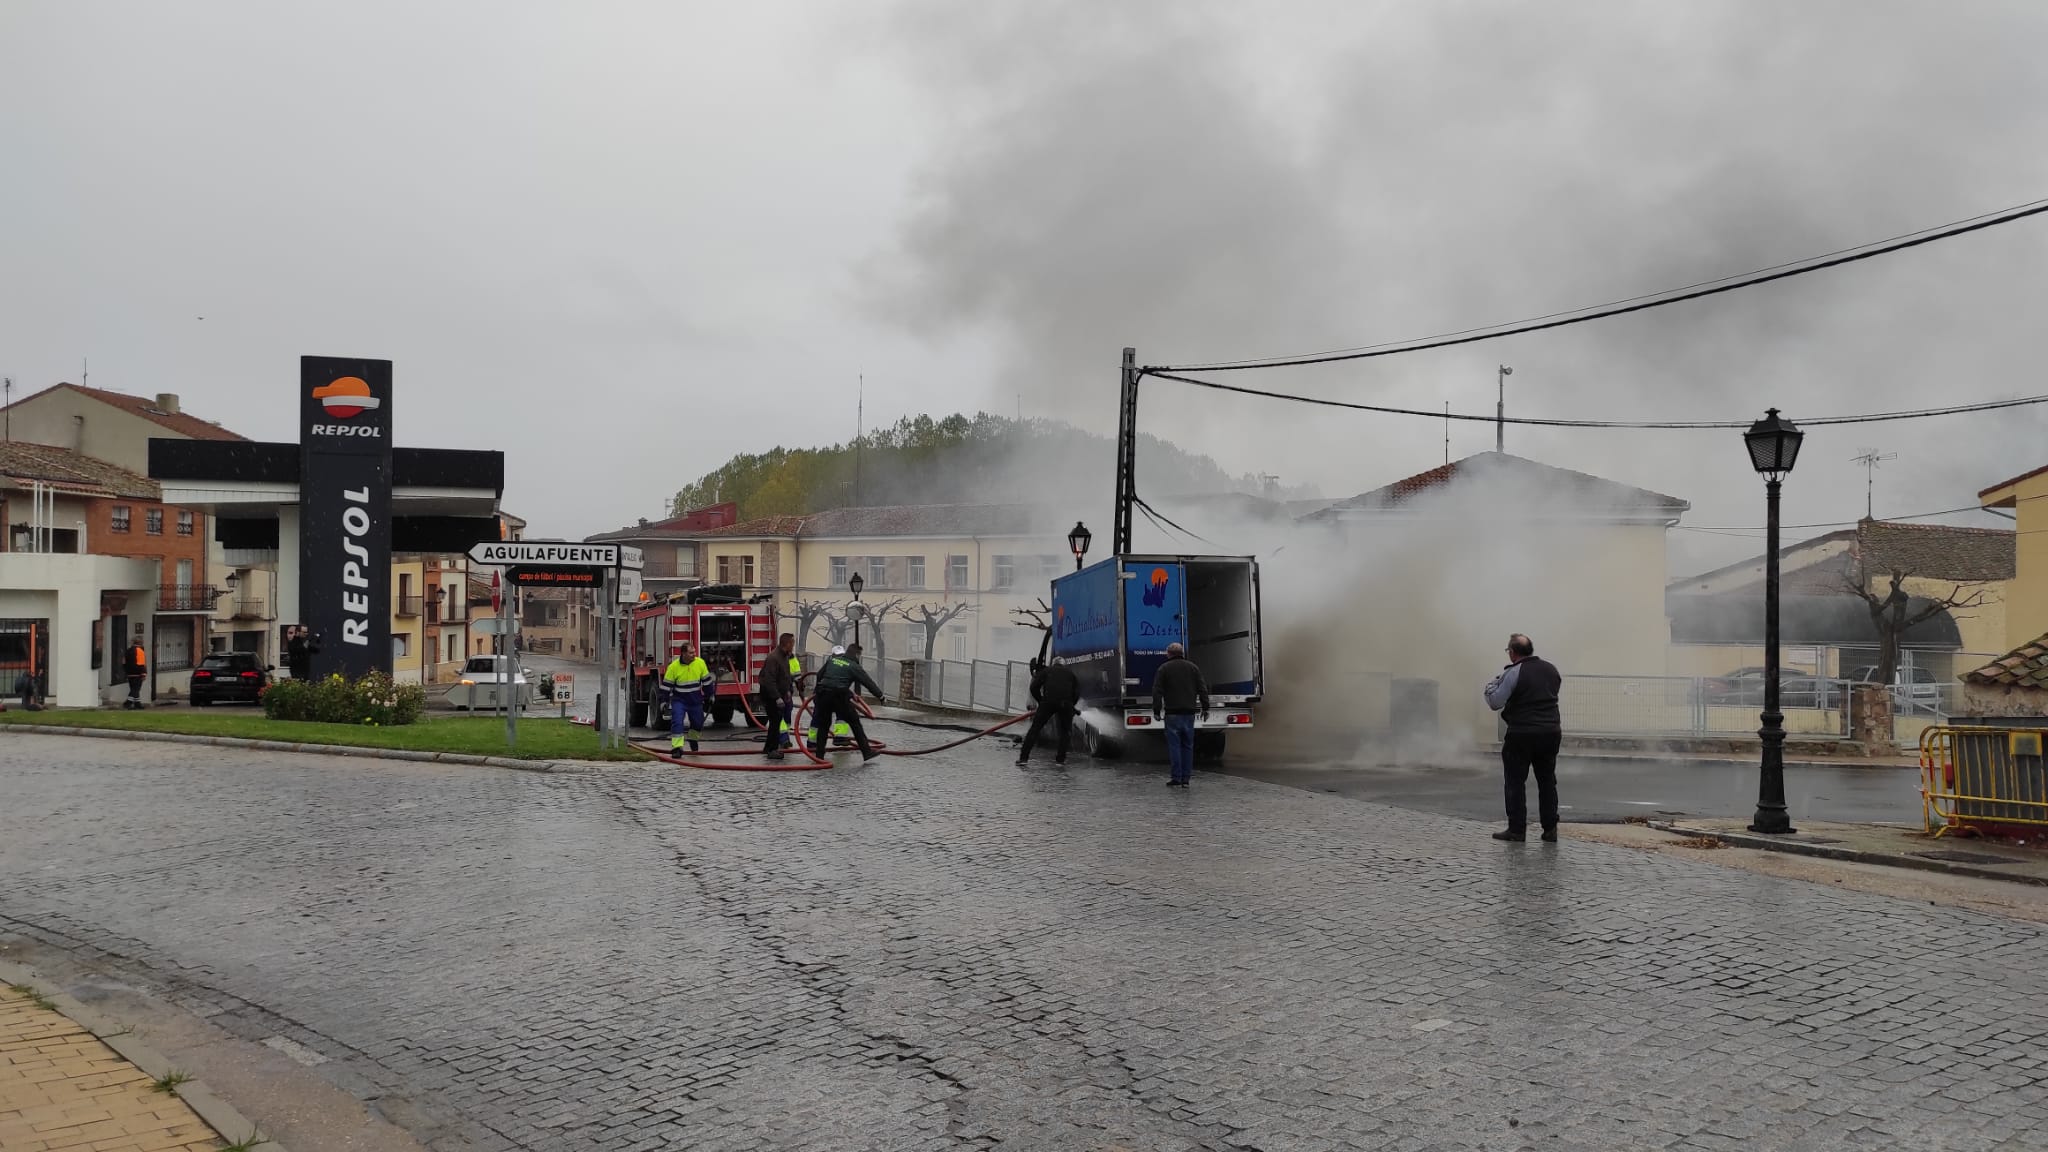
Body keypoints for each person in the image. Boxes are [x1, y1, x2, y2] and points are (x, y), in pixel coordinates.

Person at [1484, 633, 1565, 843]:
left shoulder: (1513, 672)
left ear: (1512, 653)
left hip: (1522, 734)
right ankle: (1550, 829)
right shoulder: (1551, 669)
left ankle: (1517, 830)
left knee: (1515, 782)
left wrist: (1491, 686)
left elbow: (1495, 702)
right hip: (1551, 733)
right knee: (1547, 781)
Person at [1151, 642, 1210, 787]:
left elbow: (1157, 691)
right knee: (1188, 746)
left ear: (1168, 654)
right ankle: (1186, 779)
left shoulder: (1163, 669)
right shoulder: (1193, 668)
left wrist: (1157, 711)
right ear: (1182, 653)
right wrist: (1205, 708)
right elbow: (1202, 689)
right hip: (1189, 714)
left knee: (1175, 747)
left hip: (1172, 714)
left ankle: (1176, 777)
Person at [810, 645, 883, 761]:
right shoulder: (854, 666)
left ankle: (819, 756)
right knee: (855, 722)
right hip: (839, 697)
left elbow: (820, 675)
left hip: (823, 695)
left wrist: (818, 690)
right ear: (857, 655)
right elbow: (868, 682)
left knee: (823, 725)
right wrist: (881, 696)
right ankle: (866, 752)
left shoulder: (832, 660)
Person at [1017, 657, 1080, 766]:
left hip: (1048, 703)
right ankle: (1060, 760)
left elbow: (1034, 687)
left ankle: (1023, 759)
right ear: (1063, 665)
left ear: (1053, 664)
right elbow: (1077, 692)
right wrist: (1071, 705)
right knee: (1065, 732)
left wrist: (1040, 700)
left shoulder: (1047, 671)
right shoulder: (1071, 674)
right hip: (1065, 704)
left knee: (1034, 730)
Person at [663, 643, 712, 755]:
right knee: (677, 721)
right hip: (679, 700)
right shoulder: (673, 667)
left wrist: (711, 695)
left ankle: (693, 739)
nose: (694, 654)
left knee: (698, 723)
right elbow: (666, 686)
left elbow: (707, 682)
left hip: (695, 700)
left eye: (694, 652)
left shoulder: (700, 663)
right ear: (683, 653)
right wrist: (663, 701)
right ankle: (677, 748)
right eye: (691, 653)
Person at [758, 634, 798, 761]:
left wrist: (787, 691)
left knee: (775, 721)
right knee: (775, 722)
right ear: (787, 643)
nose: (793, 645)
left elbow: (785, 676)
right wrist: (777, 697)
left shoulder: (784, 656)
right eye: (792, 643)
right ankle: (772, 750)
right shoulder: (774, 658)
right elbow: (769, 680)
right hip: (770, 695)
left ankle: (768, 747)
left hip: (779, 694)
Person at [124, 637, 148, 710]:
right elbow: (141, 663)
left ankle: (137, 704)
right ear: (140, 643)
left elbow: (124, 662)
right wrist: (143, 673)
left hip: (129, 673)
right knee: (136, 689)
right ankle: (128, 702)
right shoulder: (140, 651)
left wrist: (126, 671)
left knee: (133, 688)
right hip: (137, 673)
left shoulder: (128, 651)